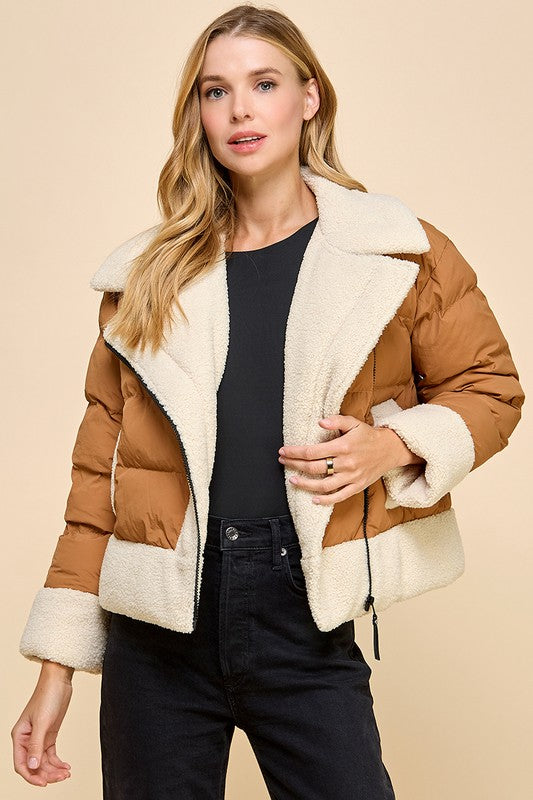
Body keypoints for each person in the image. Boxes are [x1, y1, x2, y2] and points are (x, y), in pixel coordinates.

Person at [11, 4, 525, 798]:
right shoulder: (146, 278)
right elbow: (97, 487)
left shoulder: (393, 251)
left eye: (263, 84)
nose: (239, 111)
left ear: (308, 97)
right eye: (215, 91)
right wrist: (57, 668)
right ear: (198, 113)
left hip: (301, 605)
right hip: (156, 628)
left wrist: (391, 446)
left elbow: (490, 388)